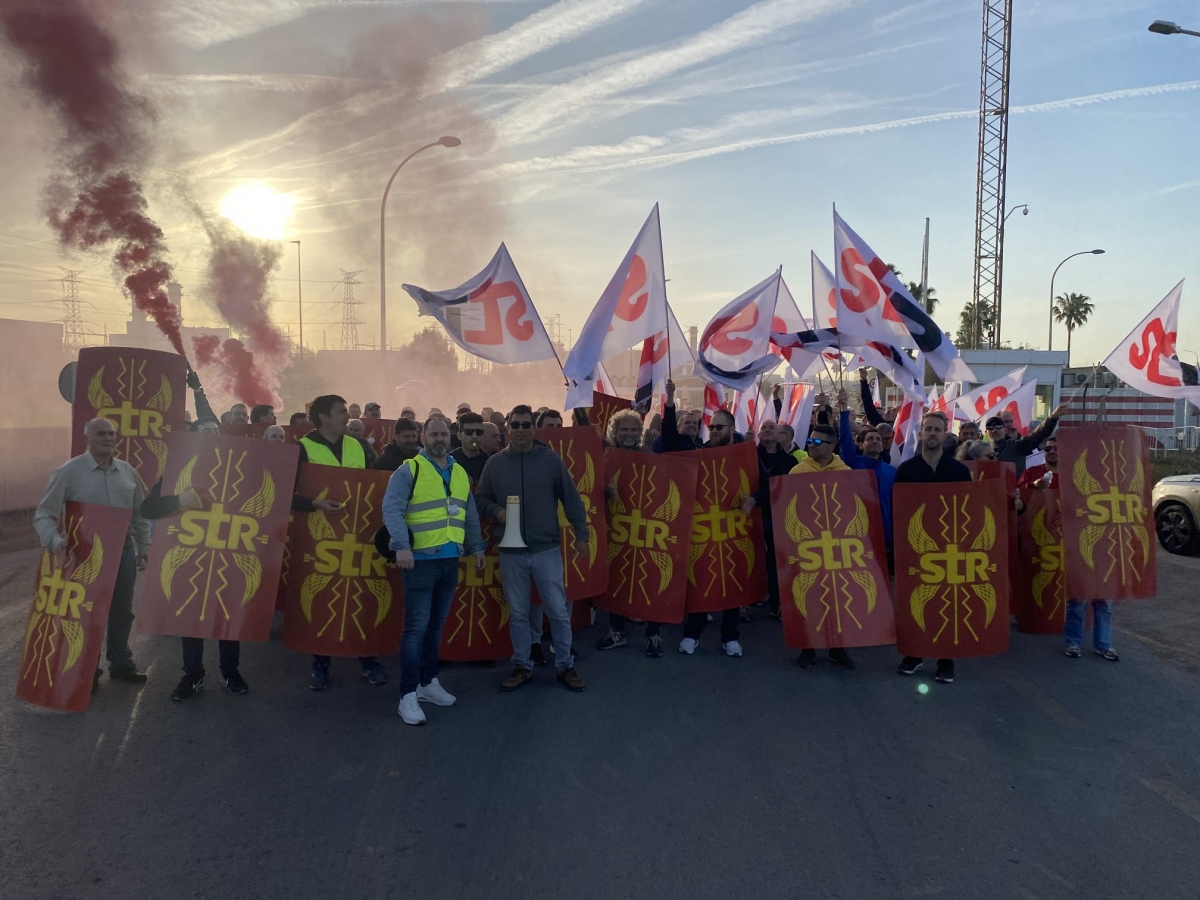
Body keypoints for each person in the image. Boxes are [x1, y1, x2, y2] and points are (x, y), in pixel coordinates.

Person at [475, 405, 589, 693]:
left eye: (527, 425)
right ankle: (522, 665)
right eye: (516, 424)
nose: (522, 429)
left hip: (545, 550)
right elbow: (480, 499)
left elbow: (572, 500)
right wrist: (496, 511)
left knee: (558, 611)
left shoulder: (551, 460)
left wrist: (582, 535)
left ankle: (565, 665)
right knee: (519, 613)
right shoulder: (495, 464)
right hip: (511, 552)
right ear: (508, 428)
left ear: (533, 428)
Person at [34, 418, 152, 689]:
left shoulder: (127, 472)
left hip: (122, 552)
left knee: (122, 611)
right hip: (82, 555)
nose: (108, 438)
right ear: (87, 438)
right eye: (101, 433)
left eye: (112, 433)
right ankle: (88, 671)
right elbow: (44, 513)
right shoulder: (69, 472)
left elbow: (138, 515)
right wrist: (54, 540)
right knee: (88, 613)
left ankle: (121, 663)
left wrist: (144, 547)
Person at [383, 417, 486, 725]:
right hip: (419, 561)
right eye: (433, 434)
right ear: (423, 437)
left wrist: (477, 546)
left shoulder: (458, 472)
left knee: (436, 627)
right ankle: (407, 695)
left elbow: (468, 513)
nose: (439, 438)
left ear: (449, 435)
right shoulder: (409, 470)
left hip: (450, 559)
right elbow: (392, 508)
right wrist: (401, 545)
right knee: (416, 629)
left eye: (444, 433)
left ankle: (428, 683)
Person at [141, 418, 249, 700]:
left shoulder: (237, 469)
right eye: (207, 432)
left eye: (217, 431)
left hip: (227, 552)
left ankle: (230, 671)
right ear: (195, 439)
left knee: (226, 615)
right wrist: (178, 500)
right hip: (190, 555)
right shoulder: (177, 473)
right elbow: (148, 508)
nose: (214, 435)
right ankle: (192, 674)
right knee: (191, 616)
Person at [294, 395, 387, 689]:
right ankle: (320, 662)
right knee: (322, 598)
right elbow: (286, 493)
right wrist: (315, 504)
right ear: (322, 417)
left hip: (360, 534)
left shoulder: (358, 446)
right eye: (341, 412)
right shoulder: (303, 448)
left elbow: (375, 485)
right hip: (319, 539)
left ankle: (367, 658)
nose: (347, 416)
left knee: (362, 596)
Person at [894, 411, 971, 684]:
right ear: (921, 433)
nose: (932, 434)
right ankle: (914, 655)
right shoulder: (906, 471)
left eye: (938, 429)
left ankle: (945, 660)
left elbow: (969, 512)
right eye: (928, 429)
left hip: (950, 550)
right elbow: (899, 511)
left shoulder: (959, 472)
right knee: (916, 603)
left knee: (948, 604)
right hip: (916, 551)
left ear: (945, 433)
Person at [677, 408, 749, 657]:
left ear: (731, 429)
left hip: (733, 528)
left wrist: (754, 499)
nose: (715, 431)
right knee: (701, 579)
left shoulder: (745, 455)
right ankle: (692, 633)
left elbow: (765, 482)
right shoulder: (700, 455)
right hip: (703, 528)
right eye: (712, 427)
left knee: (732, 581)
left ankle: (729, 636)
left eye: (720, 427)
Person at [598, 409, 665, 657]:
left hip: (646, 529)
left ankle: (653, 635)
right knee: (617, 578)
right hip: (615, 529)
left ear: (640, 432)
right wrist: (605, 490)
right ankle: (617, 632)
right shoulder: (604, 458)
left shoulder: (650, 457)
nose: (629, 433)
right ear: (615, 432)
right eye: (624, 429)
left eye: (633, 429)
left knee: (650, 578)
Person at [836, 387, 896, 548]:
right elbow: (845, 440)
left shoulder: (892, 472)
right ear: (861, 445)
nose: (875, 441)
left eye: (878, 439)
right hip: (858, 535)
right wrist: (843, 409)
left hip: (887, 536)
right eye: (870, 439)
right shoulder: (853, 463)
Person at [986, 400, 1069, 475]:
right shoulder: (981, 450)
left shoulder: (1016, 447)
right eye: (990, 427)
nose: (994, 430)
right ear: (986, 432)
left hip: (1013, 491)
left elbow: (1038, 435)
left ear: (1005, 430)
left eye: (998, 426)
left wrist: (1052, 418)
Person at [657, 378, 703, 452]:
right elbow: (669, 421)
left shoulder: (702, 444)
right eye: (687, 422)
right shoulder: (674, 441)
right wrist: (670, 395)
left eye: (695, 423)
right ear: (678, 427)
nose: (692, 425)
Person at [450, 412, 490, 485]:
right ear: (459, 435)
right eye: (469, 432)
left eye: (478, 432)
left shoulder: (489, 463)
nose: (474, 436)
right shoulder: (450, 461)